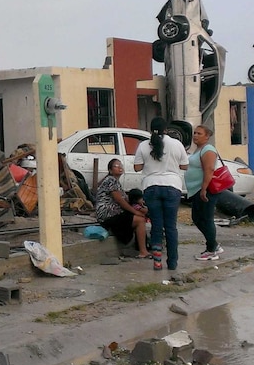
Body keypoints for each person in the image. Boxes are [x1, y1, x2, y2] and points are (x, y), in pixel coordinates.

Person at [134, 117, 189, 272]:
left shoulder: (144, 145)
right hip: (172, 186)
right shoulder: (176, 144)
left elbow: (137, 167)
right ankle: (172, 263)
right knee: (171, 227)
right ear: (166, 129)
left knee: (156, 226)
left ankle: (157, 261)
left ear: (151, 129)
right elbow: (184, 165)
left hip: (151, 187)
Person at [93, 160, 151, 258]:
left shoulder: (116, 183)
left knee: (140, 216)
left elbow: (126, 201)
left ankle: (143, 247)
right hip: (108, 215)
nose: (120, 167)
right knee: (140, 220)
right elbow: (120, 200)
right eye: (116, 166)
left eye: (121, 165)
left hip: (115, 214)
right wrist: (136, 212)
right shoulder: (110, 180)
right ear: (110, 170)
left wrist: (140, 209)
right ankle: (143, 251)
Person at [184, 125, 224, 261]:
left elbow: (209, 169)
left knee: (206, 219)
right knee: (197, 218)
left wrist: (204, 189)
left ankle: (211, 249)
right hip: (195, 190)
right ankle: (214, 244)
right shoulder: (197, 150)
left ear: (207, 136)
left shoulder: (208, 150)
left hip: (205, 190)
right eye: (195, 133)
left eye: (199, 133)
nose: (195, 135)